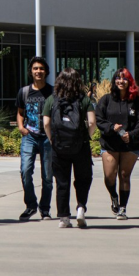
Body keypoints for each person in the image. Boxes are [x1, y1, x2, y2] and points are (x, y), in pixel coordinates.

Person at [42, 68, 96, 228]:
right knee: (83, 179)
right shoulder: (84, 100)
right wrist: (87, 137)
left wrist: (52, 139)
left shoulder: (52, 99)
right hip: (81, 146)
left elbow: (46, 123)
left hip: (59, 147)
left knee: (62, 181)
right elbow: (92, 122)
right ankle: (80, 207)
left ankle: (64, 218)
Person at [95, 67, 139, 220]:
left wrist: (131, 135)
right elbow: (99, 119)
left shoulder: (137, 102)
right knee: (109, 176)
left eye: (125, 78)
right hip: (110, 144)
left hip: (130, 145)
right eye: (118, 78)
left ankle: (123, 208)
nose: (121, 81)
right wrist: (112, 127)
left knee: (124, 176)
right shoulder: (106, 99)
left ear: (130, 81)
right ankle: (113, 196)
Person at [16, 56, 53, 220]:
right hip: (29, 136)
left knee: (47, 176)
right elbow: (20, 112)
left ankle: (45, 209)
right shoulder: (24, 92)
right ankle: (31, 205)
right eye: (35, 68)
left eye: (41, 68)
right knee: (25, 171)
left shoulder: (53, 92)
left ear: (46, 71)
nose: (38, 71)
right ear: (31, 72)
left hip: (47, 138)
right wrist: (21, 127)